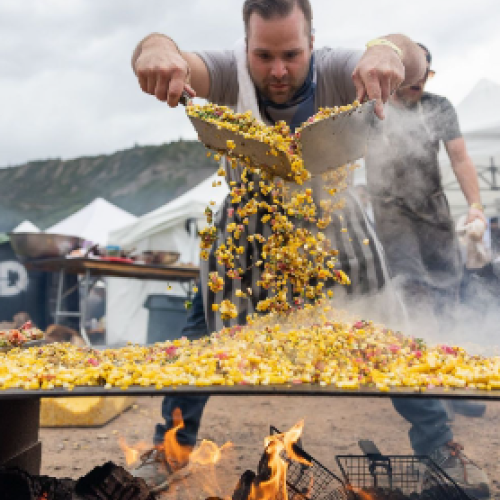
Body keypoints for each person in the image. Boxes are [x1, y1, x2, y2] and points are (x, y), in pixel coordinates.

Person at [130, 0, 429, 492]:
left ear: (312, 43)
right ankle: (171, 449)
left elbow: (412, 57)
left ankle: (441, 446)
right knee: (201, 326)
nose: (279, 70)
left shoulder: (338, 67)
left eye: (291, 54)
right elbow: (165, 53)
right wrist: (156, 48)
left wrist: (390, 51)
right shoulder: (226, 72)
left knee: (391, 323)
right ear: (245, 47)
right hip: (246, 218)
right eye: (263, 56)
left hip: (334, 217)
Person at [365, 44, 489, 497]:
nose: (414, 88)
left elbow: (459, 159)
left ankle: (445, 386)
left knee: (447, 297)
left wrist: (475, 207)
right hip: (391, 215)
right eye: (408, 80)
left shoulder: (440, 108)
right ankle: (428, 410)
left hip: (435, 215)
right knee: (412, 294)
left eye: (421, 79)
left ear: (428, 76)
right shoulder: (373, 107)